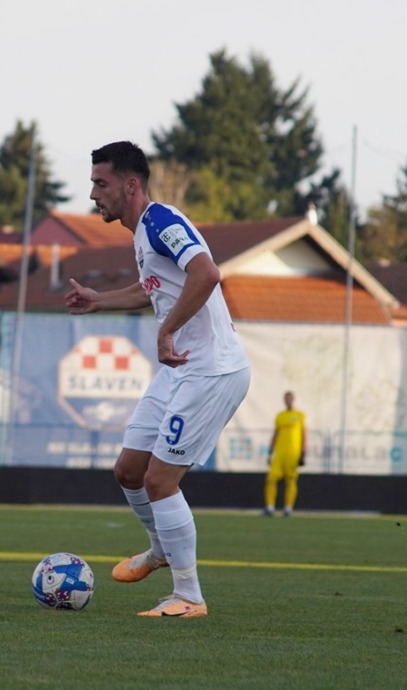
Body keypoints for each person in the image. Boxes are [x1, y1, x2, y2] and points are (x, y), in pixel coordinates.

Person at [65, 141, 250, 619]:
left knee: (160, 481)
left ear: (130, 185)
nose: (93, 194)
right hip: (180, 369)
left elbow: (206, 273)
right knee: (129, 471)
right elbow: (153, 289)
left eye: (100, 183)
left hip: (210, 369)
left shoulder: (161, 221)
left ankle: (189, 596)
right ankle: (162, 547)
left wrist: (166, 331)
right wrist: (99, 300)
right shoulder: (142, 234)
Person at [263, 391, 306, 517]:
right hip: (280, 453)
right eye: (286, 398)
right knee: (271, 478)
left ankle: (288, 508)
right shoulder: (280, 416)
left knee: (291, 480)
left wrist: (303, 452)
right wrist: (271, 450)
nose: (288, 401)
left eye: (290, 398)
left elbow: (304, 435)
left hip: (293, 453)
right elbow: (276, 433)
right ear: (284, 400)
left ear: (293, 399)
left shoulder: (299, 416)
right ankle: (270, 507)